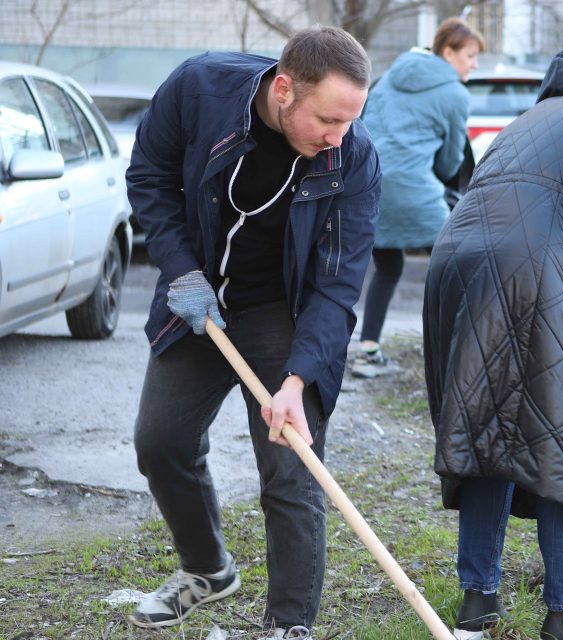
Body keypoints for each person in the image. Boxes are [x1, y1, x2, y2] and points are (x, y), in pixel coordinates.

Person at [124, 27, 380, 638]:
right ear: (285, 89)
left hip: (280, 311)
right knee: (160, 441)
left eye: (350, 121)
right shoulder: (200, 91)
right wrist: (181, 269)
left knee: (292, 466)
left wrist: (297, 380)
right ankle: (208, 570)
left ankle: (290, 625)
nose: (337, 138)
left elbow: (339, 284)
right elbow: (150, 176)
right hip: (199, 297)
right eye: (327, 120)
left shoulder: (354, 157)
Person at [423, 49, 563, 640]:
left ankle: (478, 599)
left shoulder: (516, 132)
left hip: (454, 263)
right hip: (528, 270)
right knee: (557, 434)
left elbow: (518, 224)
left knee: (488, 429)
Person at [352, 18, 483, 378]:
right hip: (415, 191)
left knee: (389, 267)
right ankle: (466, 356)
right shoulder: (456, 93)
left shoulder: (390, 76)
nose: (474, 64)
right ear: (448, 52)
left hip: (370, 187)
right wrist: (438, 178)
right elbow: (451, 158)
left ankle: (367, 350)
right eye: (470, 55)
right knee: (458, 267)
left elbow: (366, 126)